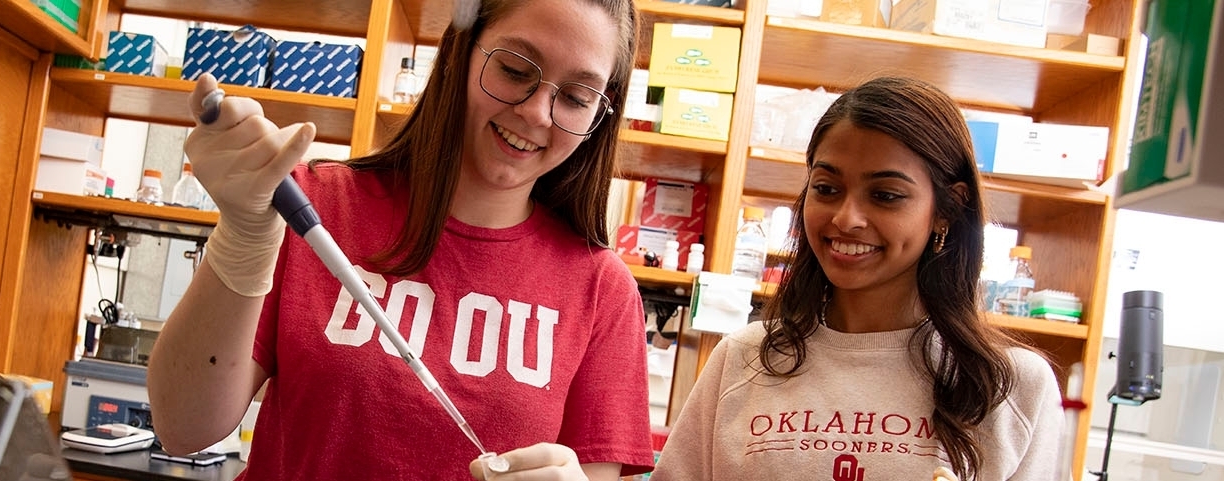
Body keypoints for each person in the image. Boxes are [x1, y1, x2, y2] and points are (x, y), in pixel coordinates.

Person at [145, 0, 654, 479]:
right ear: (460, 50)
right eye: (516, 69)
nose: (538, 112)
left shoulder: (601, 291)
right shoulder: (312, 208)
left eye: (575, 98)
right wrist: (244, 235)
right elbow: (183, 428)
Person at [650, 77, 1064, 480]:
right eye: (827, 188)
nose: (846, 218)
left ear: (948, 207)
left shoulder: (1013, 386)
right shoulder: (744, 358)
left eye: (885, 195)